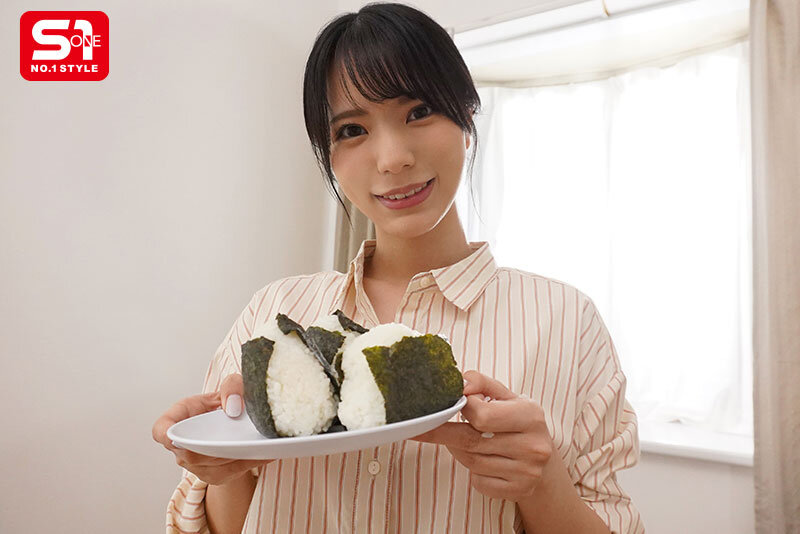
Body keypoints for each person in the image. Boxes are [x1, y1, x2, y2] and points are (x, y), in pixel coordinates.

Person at [151, 3, 645, 533]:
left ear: (467, 115)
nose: (392, 159)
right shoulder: (273, 311)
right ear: (330, 157)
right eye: (352, 130)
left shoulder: (567, 322)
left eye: (418, 111)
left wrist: (542, 483)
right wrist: (230, 463)